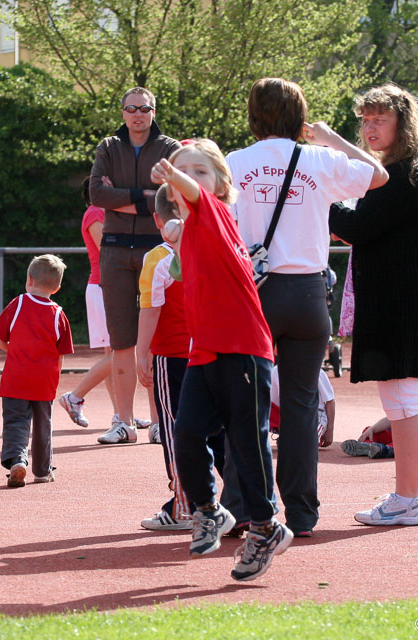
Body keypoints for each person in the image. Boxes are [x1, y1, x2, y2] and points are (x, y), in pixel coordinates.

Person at [225, 77, 388, 536]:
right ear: (300, 116)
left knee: (246, 402)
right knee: (301, 403)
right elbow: (378, 176)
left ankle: (242, 507)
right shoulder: (319, 159)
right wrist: (332, 137)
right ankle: (302, 512)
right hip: (309, 293)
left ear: (253, 114)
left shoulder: (236, 162)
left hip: (254, 291)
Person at [152, 138, 292, 582]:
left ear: (220, 184)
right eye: (183, 171)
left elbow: (196, 198)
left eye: (201, 171)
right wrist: (174, 229)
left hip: (244, 349)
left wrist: (174, 177)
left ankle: (266, 527)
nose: (191, 179)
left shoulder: (216, 215)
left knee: (247, 444)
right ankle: (210, 510)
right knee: (187, 435)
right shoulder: (190, 228)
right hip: (206, 350)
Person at [329, 83, 418, 527]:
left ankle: (405, 500)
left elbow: (358, 227)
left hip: (401, 300)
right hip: (411, 297)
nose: (370, 127)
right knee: (415, 399)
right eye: (365, 119)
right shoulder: (409, 168)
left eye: (379, 118)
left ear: (403, 122)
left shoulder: (405, 173)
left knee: (403, 400)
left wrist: (323, 199)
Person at [89, 87, 181, 444]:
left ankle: (160, 419)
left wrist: (123, 197)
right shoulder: (109, 147)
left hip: (156, 249)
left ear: (154, 111)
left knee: (158, 339)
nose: (138, 114)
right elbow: (96, 194)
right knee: (122, 341)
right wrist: (145, 196)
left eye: (144, 108)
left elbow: (170, 196)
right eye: (131, 108)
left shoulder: (170, 148)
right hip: (113, 250)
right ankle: (123, 422)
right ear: (123, 111)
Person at [137, 185, 201, 530]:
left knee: (175, 429)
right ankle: (231, 500)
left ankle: (184, 504)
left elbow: (150, 309)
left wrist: (140, 353)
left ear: (157, 219)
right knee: (214, 429)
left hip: (172, 354)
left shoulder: (157, 258)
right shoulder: (208, 249)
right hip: (208, 352)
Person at [0, 255, 74, 487]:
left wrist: (13, 351)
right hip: (44, 378)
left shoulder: (17, 304)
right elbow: (61, 354)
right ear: (57, 287)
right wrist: (54, 376)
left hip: (16, 376)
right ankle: (42, 470)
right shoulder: (59, 314)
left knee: (15, 420)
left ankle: (17, 459)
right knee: (43, 424)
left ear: (29, 279)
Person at [57, 179, 118, 430]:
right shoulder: (94, 212)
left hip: (110, 288)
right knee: (122, 354)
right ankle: (74, 397)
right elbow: (109, 251)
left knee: (115, 355)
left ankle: (121, 414)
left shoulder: (104, 213)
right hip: (104, 288)